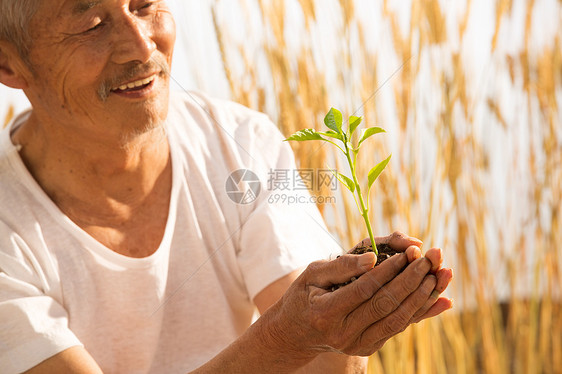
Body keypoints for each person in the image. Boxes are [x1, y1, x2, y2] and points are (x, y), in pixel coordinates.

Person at [0, 0, 453, 373]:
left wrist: (348, 304)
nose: (141, 46)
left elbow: (321, 365)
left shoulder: (241, 142)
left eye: (145, 6)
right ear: (8, 61)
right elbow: (293, 338)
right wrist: (287, 337)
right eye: (92, 25)